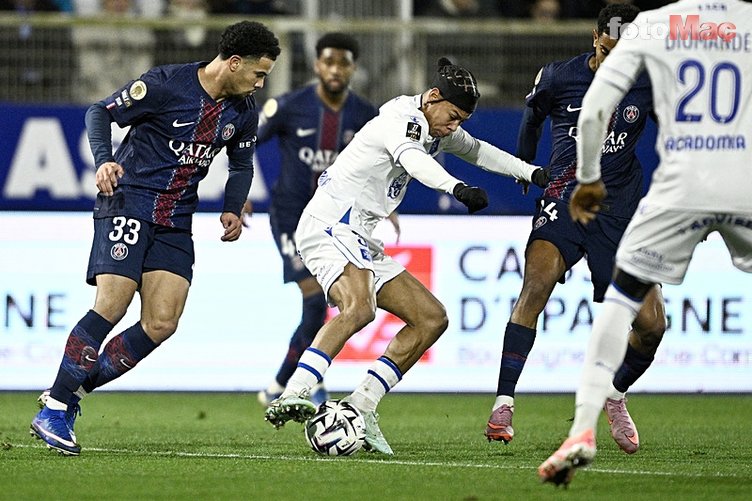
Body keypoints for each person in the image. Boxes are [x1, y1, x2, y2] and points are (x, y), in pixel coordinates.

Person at [263, 57, 549, 455]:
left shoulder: (438, 128)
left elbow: (480, 151)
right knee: (359, 308)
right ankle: (294, 391)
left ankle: (362, 405)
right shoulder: (401, 119)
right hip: (330, 223)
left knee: (431, 318)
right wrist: (456, 188)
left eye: (461, 120)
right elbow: (413, 160)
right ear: (432, 97)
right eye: (452, 116)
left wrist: (529, 172)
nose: (454, 127)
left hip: (359, 235)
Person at [30, 20, 281, 456]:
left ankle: (69, 392)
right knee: (112, 304)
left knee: (162, 322)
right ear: (234, 63)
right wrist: (104, 160)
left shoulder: (242, 112)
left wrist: (231, 206)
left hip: (176, 219)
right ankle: (54, 409)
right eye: (258, 73)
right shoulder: (166, 84)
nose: (261, 83)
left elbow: (241, 165)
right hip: (128, 201)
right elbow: (99, 112)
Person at [539, 0, 752, 485]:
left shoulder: (656, 25)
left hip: (681, 188)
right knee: (647, 317)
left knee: (620, 303)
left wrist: (588, 179)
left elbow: (594, 110)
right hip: (742, 181)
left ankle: (581, 429)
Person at [484, 3, 666, 455]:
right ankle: (503, 403)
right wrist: (525, 165)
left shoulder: (649, 82)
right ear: (594, 38)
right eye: (607, 51)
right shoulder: (558, 77)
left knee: (652, 325)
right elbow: (532, 118)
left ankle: (615, 394)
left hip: (619, 211)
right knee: (536, 285)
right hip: (565, 199)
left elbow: (678, 134)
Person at [245, 33, 380, 408]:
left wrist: (387, 203)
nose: (335, 70)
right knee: (315, 299)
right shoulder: (290, 106)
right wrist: (238, 191)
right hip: (291, 217)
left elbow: (383, 164)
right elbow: (245, 142)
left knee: (329, 305)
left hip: (334, 225)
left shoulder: (365, 115)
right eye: (328, 62)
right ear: (318, 65)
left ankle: (295, 383)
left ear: (353, 68)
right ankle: (285, 386)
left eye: (343, 63)